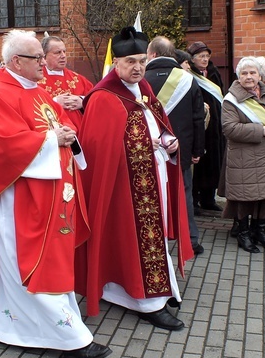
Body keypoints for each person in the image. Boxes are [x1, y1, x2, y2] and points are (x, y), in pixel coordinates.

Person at [0, 30, 111, 358]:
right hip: (19, 201)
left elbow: (61, 122)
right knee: (30, 264)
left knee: (35, 264)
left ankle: (6, 323)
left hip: (50, 198)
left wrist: (67, 134)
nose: (44, 64)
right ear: (17, 61)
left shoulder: (37, 91)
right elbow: (2, 145)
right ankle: (70, 337)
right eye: (37, 58)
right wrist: (52, 140)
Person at [77, 26, 193, 331]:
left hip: (154, 176)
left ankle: (148, 292)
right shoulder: (103, 97)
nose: (137, 67)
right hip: (123, 188)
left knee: (147, 239)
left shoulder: (144, 91)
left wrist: (170, 141)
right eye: (130, 62)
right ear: (116, 63)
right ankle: (147, 303)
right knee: (133, 240)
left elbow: (159, 125)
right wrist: (144, 145)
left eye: (142, 61)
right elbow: (99, 148)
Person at [145, 37, 206, 256]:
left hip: (148, 148)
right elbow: (198, 118)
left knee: (151, 194)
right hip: (181, 150)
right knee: (184, 194)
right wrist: (197, 150)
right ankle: (190, 240)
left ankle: (154, 239)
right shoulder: (189, 80)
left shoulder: (140, 80)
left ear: (151, 54)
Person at [220, 57, 265, 254]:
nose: (249, 77)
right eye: (244, 73)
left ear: (259, 75)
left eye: (252, 73)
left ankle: (261, 232)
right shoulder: (231, 99)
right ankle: (243, 234)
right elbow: (229, 128)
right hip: (244, 158)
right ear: (238, 76)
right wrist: (261, 131)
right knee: (244, 198)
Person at [186, 42, 226, 213]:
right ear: (192, 59)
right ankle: (194, 200)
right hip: (200, 126)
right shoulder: (188, 75)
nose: (204, 59)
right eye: (201, 56)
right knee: (199, 164)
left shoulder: (214, 73)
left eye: (207, 56)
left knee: (213, 162)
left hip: (215, 125)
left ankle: (209, 198)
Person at [39, 36, 94, 129]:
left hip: (80, 134)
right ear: (44, 56)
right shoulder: (35, 81)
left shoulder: (78, 79)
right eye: (58, 52)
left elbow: (97, 99)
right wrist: (54, 102)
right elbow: (29, 107)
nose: (63, 55)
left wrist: (83, 101)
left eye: (64, 51)